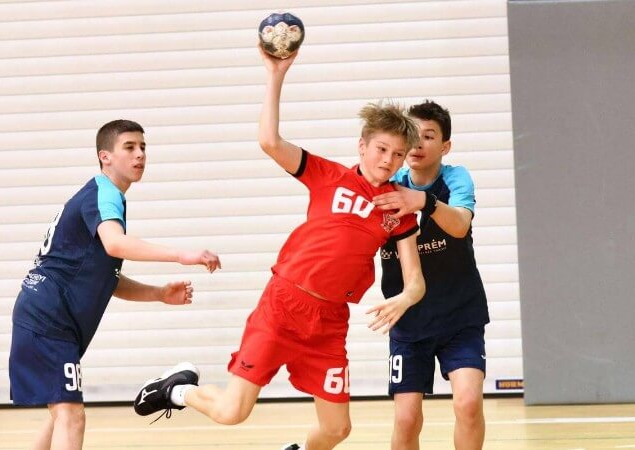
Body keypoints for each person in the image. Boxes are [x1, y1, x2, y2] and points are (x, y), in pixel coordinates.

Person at [132, 47, 425, 450]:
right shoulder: (328, 175)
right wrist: (275, 74)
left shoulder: (399, 208)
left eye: (397, 155)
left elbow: (415, 281)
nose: (388, 160)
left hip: (328, 322)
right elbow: (269, 141)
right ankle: (177, 390)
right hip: (283, 305)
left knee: (337, 429)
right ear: (362, 146)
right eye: (381, 149)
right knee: (232, 412)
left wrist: (405, 299)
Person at [8, 119, 222, 450]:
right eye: (129, 147)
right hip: (48, 317)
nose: (140, 155)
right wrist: (182, 255)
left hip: (47, 315)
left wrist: (158, 294)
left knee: (61, 413)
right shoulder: (103, 193)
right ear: (105, 156)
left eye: (143, 147)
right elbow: (116, 244)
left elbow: (107, 278)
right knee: (71, 415)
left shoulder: (103, 196)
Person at [371, 100, 490, 450]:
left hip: (459, 316)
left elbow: (460, 225)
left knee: (468, 403)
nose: (418, 143)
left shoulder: (455, 179)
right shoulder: (385, 184)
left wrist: (425, 202)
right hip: (409, 322)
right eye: (413, 135)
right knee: (406, 419)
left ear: (445, 146)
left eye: (428, 136)